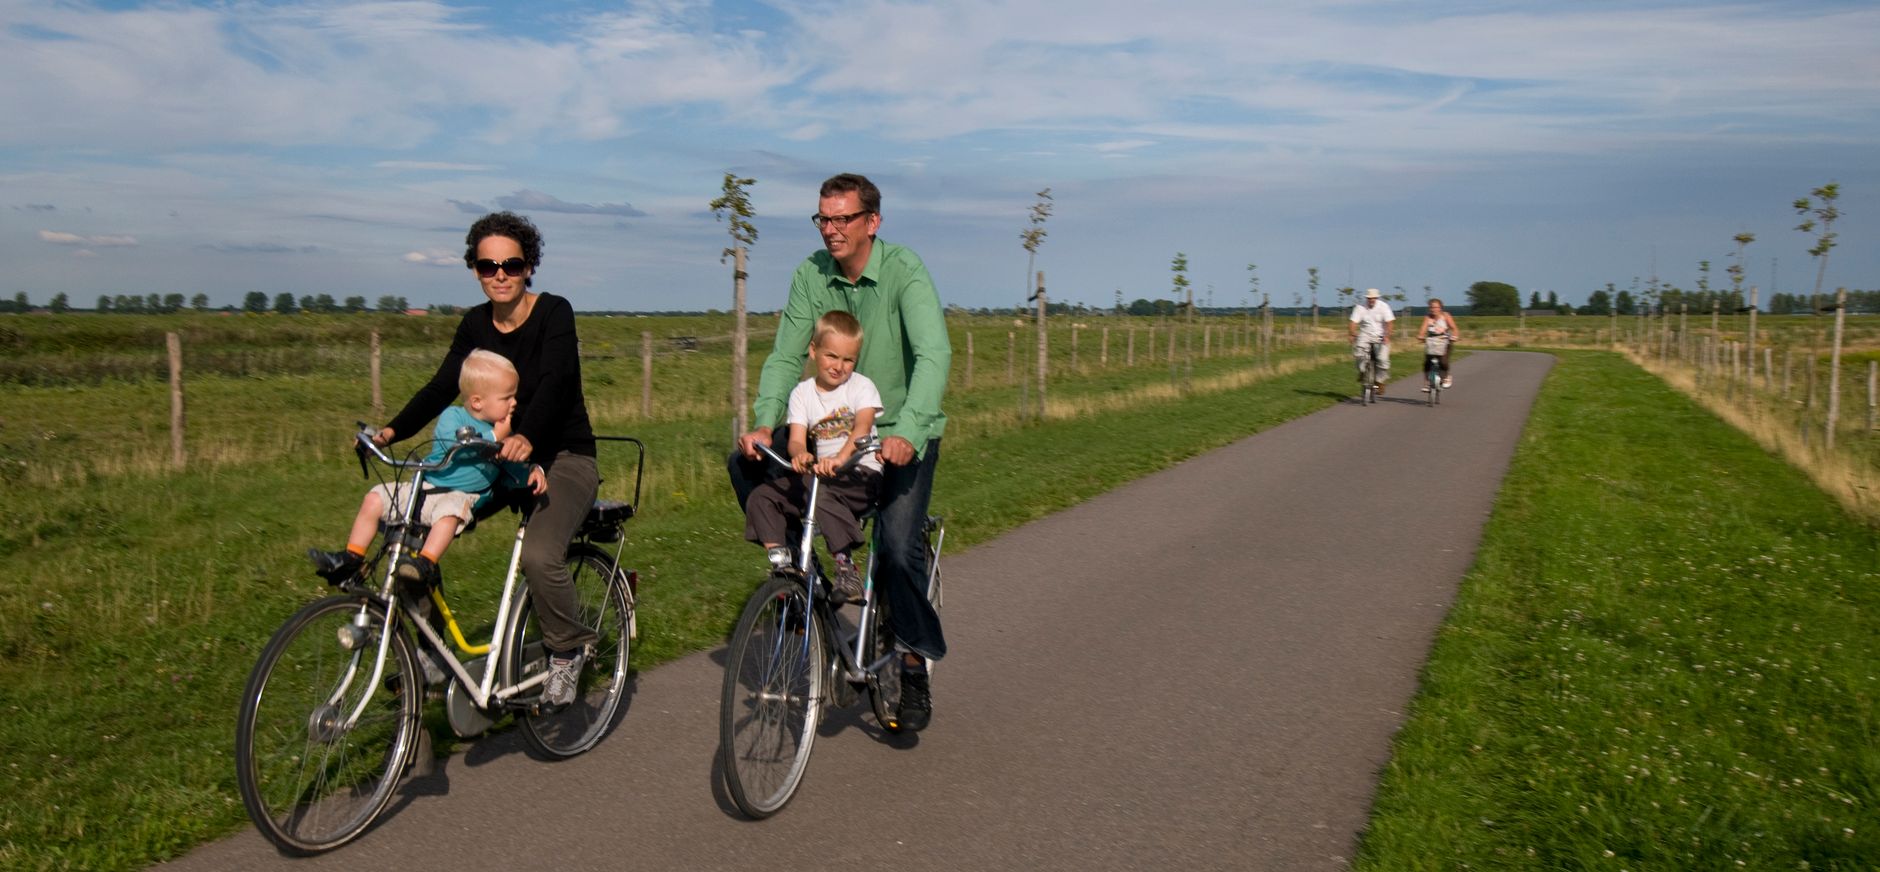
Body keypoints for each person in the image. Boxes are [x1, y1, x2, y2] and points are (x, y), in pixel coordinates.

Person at [731, 172, 951, 731]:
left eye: (842, 219)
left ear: (872, 222)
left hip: (895, 433)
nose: (830, 229)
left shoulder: (904, 271)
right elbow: (786, 356)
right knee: (747, 464)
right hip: (825, 433)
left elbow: (933, 355)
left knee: (897, 548)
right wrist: (765, 423)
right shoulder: (811, 274)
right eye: (822, 219)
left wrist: (909, 431)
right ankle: (806, 587)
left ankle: (912, 660)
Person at [369, 211, 599, 709]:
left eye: (511, 265)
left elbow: (557, 384)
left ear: (529, 266)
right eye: (487, 265)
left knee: (540, 554)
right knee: (410, 537)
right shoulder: (474, 323)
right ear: (474, 269)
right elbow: (442, 387)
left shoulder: (554, 313)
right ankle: (431, 657)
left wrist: (527, 436)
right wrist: (391, 431)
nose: (499, 275)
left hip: (564, 455)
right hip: (495, 459)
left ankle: (568, 650)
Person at [308, 349, 547, 593]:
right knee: (375, 498)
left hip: (460, 497)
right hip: (425, 488)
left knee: (450, 515)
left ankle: (424, 564)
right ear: (477, 402)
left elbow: (509, 465)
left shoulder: (503, 435)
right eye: (507, 397)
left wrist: (530, 471)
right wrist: (494, 436)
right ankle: (352, 558)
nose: (514, 403)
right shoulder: (453, 417)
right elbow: (456, 444)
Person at [742, 310, 883, 602]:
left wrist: (840, 458)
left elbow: (862, 428)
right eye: (831, 356)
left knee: (815, 489)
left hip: (862, 475)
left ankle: (846, 568)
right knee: (762, 497)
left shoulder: (861, 387)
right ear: (813, 350)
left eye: (848, 360)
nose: (839, 367)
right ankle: (783, 565)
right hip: (823, 478)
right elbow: (796, 439)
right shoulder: (802, 394)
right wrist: (800, 455)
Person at [1348, 287, 1395, 394]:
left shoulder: (1384, 307)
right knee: (1359, 353)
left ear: (1377, 298)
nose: (1371, 300)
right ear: (1367, 298)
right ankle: (1362, 371)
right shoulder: (1360, 307)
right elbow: (1353, 322)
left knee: (1383, 360)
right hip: (1365, 335)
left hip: (1380, 335)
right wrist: (1352, 333)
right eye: (1369, 298)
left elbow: (1390, 322)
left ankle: (1380, 381)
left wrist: (1387, 335)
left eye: (1373, 298)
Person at [1417, 298, 1461, 391]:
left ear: (1440, 308)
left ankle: (1446, 377)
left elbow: (1454, 328)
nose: (1433, 309)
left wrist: (1455, 336)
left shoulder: (1446, 316)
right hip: (1431, 341)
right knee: (1427, 363)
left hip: (1444, 341)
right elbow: (1423, 329)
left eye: (1436, 307)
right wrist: (1420, 336)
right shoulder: (1428, 317)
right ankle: (1427, 383)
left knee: (1443, 361)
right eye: (1431, 307)